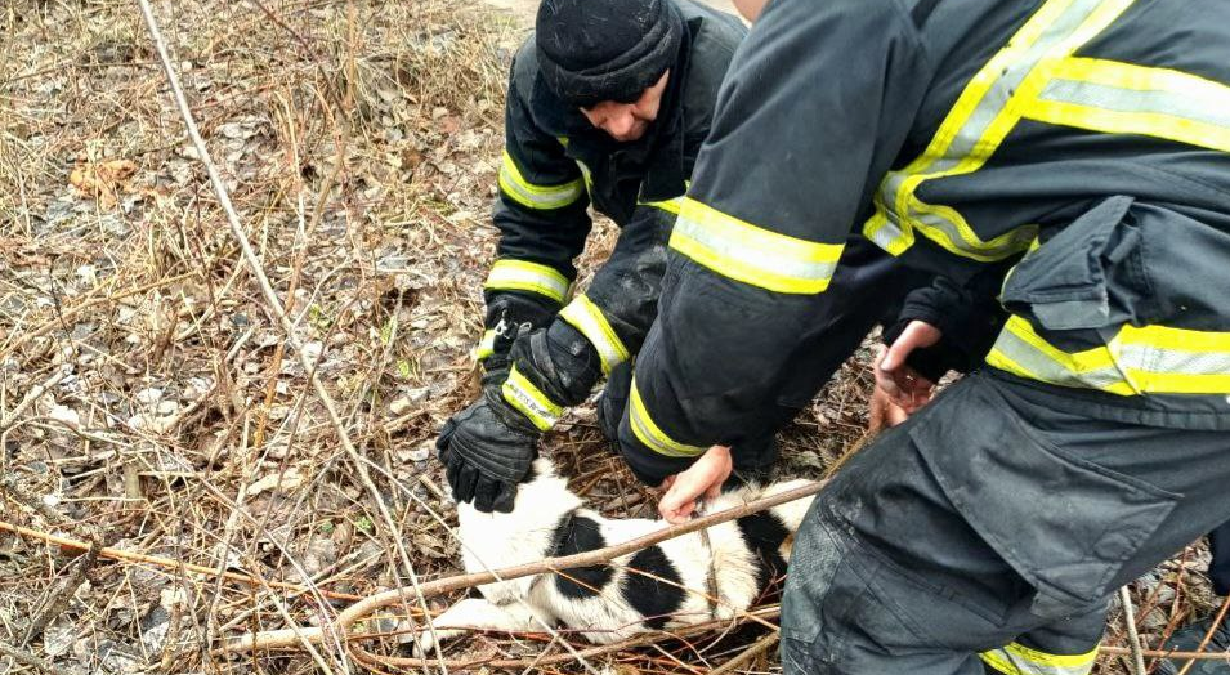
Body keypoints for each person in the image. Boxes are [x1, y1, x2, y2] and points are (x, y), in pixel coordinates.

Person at [614, 0, 1231, 673]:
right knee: (1033, 558)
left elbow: (750, 285)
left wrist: (666, 438)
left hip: (1185, 309)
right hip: (1185, 281)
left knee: (863, 589)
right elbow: (1085, 166)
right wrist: (948, 320)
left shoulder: (828, 15)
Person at [436, 0, 927, 513]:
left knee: (672, 436)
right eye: (593, 108)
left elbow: (676, 261)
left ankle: (744, 444)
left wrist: (529, 400)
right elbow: (533, 235)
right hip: (694, 254)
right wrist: (503, 375)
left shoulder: (728, 77)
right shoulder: (540, 84)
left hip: (785, 264)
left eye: (635, 96)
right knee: (628, 414)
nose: (621, 125)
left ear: (667, 58)